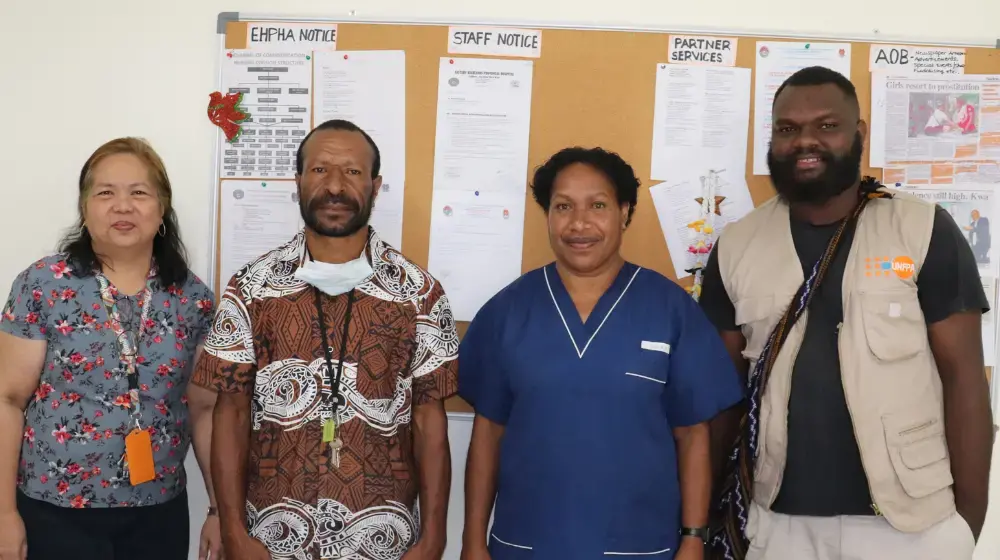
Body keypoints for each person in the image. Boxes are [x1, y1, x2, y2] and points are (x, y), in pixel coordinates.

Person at [702, 66, 993, 560]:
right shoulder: (736, 246)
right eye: (788, 129)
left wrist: (967, 524)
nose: (805, 141)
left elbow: (965, 380)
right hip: (777, 526)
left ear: (858, 133)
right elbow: (723, 396)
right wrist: (706, 516)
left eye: (826, 125)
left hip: (910, 527)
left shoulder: (923, 230)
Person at [458, 147, 744, 559]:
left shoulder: (669, 309)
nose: (579, 223)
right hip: (527, 543)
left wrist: (694, 538)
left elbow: (692, 434)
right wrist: (472, 541)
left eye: (597, 205)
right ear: (548, 215)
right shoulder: (509, 311)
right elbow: (488, 433)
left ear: (625, 212)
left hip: (642, 545)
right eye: (563, 206)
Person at [193, 119, 458, 560]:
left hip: (382, 542)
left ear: (375, 186)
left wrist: (433, 537)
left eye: (352, 172)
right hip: (271, 540)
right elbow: (231, 414)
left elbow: (431, 422)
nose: (335, 186)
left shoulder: (420, 294)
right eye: (319, 170)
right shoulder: (251, 288)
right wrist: (235, 531)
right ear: (297, 181)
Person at [0, 137, 222, 559]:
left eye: (139, 193)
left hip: (158, 512)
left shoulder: (192, 298)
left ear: (162, 212)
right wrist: (2, 514)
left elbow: (205, 410)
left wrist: (217, 509)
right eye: (106, 193)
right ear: (85, 210)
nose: (123, 206)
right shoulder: (43, 285)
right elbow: (6, 400)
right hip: (54, 510)